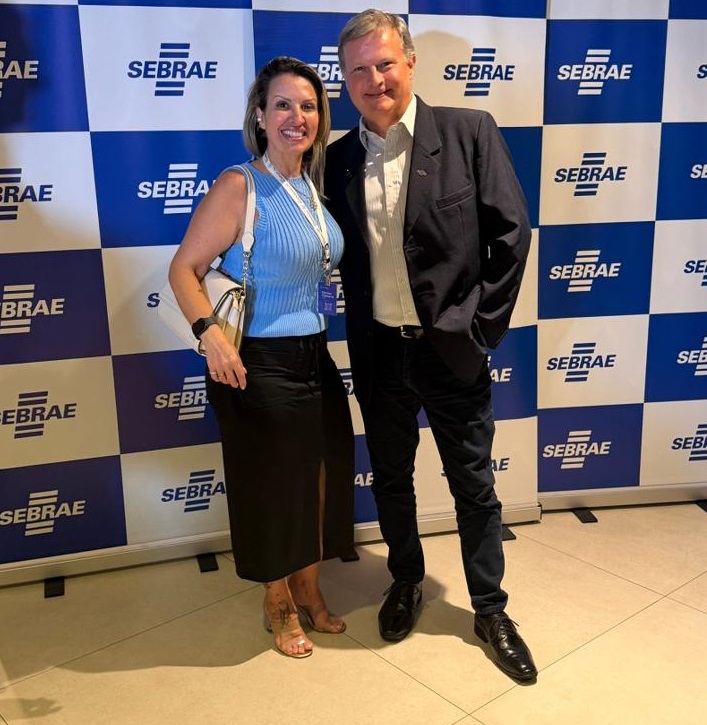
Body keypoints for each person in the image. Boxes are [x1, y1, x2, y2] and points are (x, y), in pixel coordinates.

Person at [325, 10, 537, 681]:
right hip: (378, 352)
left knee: (473, 485)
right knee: (391, 479)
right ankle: (406, 579)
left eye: (385, 63)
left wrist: (479, 331)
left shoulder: (468, 132)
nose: (373, 80)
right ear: (345, 80)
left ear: (410, 63)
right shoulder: (337, 159)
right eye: (358, 70)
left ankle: (490, 609)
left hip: (451, 350)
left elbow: (511, 235)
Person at [168, 56, 354, 659]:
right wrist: (210, 334)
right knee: (273, 487)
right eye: (283, 105)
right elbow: (184, 269)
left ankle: (309, 586)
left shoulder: (309, 187)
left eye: (308, 106)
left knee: (318, 478)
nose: (297, 117)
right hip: (256, 362)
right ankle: (277, 600)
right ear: (260, 115)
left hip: (313, 355)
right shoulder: (240, 185)